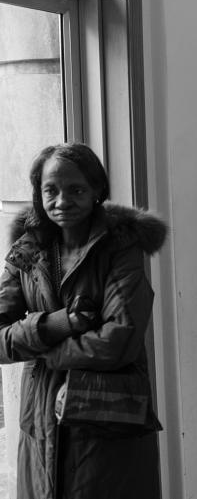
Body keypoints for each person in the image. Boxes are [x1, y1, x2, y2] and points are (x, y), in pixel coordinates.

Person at [0, 143, 166, 499]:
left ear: (96, 191)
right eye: (51, 190)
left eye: (75, 189)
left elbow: (120, 339)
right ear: (38, 193)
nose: (62, 200)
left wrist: (49, 355)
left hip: (107, 419)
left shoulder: (121, 247)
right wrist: (55, 325)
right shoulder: (27, 252)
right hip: (41, 420)